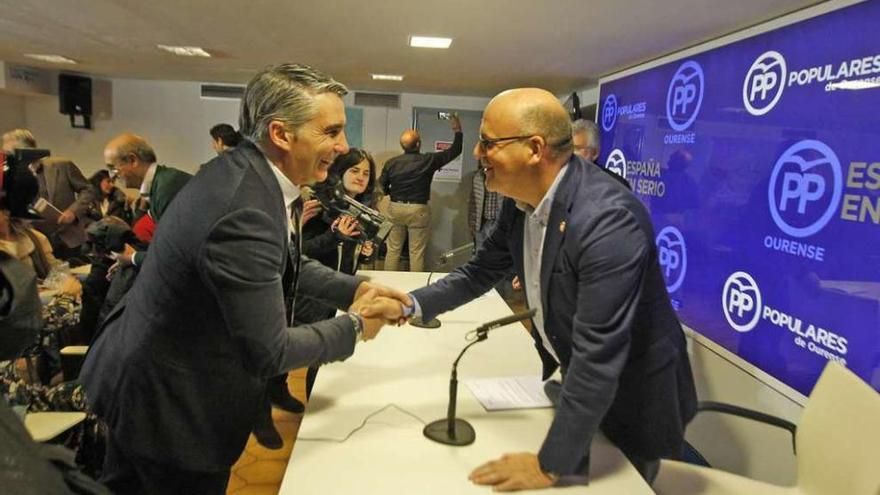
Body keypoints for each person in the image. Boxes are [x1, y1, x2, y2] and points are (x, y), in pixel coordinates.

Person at [79, 63, 409, 494]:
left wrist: (354, 288)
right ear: (280, 134)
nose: (343, 146)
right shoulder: (245, 207)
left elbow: (283, 261)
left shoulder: (253, 174)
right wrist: (357, 324)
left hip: (158, 383)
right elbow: (268, 351)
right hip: (166, 409)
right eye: (331, 132)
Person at [367, 88, 697, 490]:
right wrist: (408, 306)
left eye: (488, 143)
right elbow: (478, 273)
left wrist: (549, 465)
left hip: (632, 400)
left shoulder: (608, 219)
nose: (477, 153)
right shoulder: (520, 199)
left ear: (535, 149)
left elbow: (599, 355)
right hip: (576, 384)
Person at [296, 147, 378, 398]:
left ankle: (310, 401)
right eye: (354, 170)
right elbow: (300, 253)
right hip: (312, 294)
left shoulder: (361, 210)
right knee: (307, 353)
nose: (361, 177)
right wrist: (334, 237)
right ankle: (287, 403)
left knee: (325, 353)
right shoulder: (317, 206)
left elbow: (360, 254)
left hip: (340, 290)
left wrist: (366, 252)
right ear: (339, 171)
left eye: (366, 173)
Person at [379, 114, 462, 271]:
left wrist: (393, 192)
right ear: (418, 144)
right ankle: (415, 290)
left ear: (403, 146)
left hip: (396, 208)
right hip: (418, 210)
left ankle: (388, 286)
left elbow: (380, 188)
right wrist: (457, 129)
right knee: (416, 253)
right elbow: (455, 150)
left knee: (393, 250)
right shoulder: (428, 160)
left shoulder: (392, 163)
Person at [2, 129, 93, 259]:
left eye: (9, 153)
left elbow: (88, 189)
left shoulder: (62, 165)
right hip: (37, 244)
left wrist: (73, 212)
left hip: (70, 238)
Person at [571, 118, 630, 189]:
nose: (570, 153)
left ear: (595, 153)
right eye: (568, 148)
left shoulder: (617, 187)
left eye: (577, 148)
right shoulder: (561, 182)